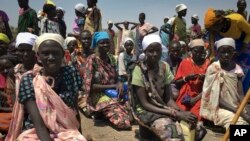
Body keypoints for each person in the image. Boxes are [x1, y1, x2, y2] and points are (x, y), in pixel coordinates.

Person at [5, 33, 86, 141]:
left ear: (63, 54)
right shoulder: (29, 80)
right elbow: (39, 125)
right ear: (38, 56)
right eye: (45, 53)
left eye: (56, 53)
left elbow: (75, 109)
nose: (51, 58)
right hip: (36, 133)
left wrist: (80, 134)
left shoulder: (71, 72)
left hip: (68, 130)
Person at [131, 34, 197, 140]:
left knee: (198, 129)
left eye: (158, 50)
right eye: (151, 51)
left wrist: (182, 112)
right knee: (175, 137)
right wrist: (175, 114)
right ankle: (148, 132)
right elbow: (145, 104)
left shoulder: (164, 67)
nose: (155, 54)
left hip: (162, 108)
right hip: (146, 111)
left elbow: (168, 99)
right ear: (145, 52)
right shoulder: (139, 70)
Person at [83, 32, 131, 129]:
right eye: (102, 43)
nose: (105, 45)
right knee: (124, 122)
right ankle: (100, 111)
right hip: (99, 95)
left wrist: (120, 83)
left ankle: (104, 113)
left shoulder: (112, 58)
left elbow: (118, 78)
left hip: (113, 93)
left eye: (107, 42)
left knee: (133, 112)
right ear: (97, 44)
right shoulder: (92, 60)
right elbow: (90, 86)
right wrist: (113, 86)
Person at [200, 38, 250, 129]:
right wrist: (240, 113)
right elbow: (216, 99)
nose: (226, 55)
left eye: (229, 52)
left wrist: (245, 108)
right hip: (218, 108)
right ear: (217, 52)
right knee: (240, 123)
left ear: (233, 53)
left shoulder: (238, 69)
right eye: (223, 52)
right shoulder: (213, 69)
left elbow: (241, 94)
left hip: (236, 106)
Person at [204, 8, 250, 93]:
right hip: (226, 48)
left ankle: (242, 94)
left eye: (213, 29)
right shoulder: (214, 30)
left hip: (242, 47)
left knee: (243, 72)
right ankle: (224, 92)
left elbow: (249, 31)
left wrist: (244, 46)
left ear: (219, 22)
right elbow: (212, 38)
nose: (212, 32)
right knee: (221, 69)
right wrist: (212, 55)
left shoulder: (237, 20)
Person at [174, 39, 210, 121]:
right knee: (180, 112)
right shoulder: (185, 62)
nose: (198, 54)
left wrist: (204, 79)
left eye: (200, 51)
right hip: (186, 94)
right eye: (196, 51)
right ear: (191, 51)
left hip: (202, 94)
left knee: (195, 115)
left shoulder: (208, 64)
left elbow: (211, 85)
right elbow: (176, 82)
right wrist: (186, 78)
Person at [0, 55, 18, 138]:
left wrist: (2, 109)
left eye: (8, 67)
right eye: (2, 69)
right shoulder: (8, 81)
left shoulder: (17, 81)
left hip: (17, 115)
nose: (5, 71)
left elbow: (17, 108)